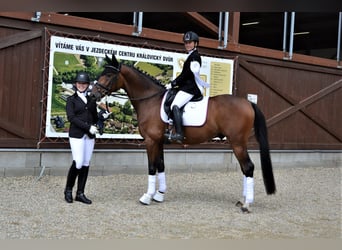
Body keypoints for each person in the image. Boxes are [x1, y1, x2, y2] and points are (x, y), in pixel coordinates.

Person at [168, 31, 210, 143]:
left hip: (191, 88)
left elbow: (188, 74)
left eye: (190, 42)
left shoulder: (195, 57)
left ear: (195, 44)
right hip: (186, 87)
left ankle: (179, 134)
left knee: (175, 105)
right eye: (186, 43)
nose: (187, 44)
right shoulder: (191, 55)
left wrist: (175, 81)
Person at [64, 72, 99, 204]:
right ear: (76, 84)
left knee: (85, 163)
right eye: (79, 83)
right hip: (77, 135)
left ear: (88, 85)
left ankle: (80, 193)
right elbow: (71, 118)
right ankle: (68, 190)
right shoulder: (71, 100)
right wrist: (87, 127)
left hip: (89, 136)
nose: (81, 85)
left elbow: (94, 118)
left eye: (84, 83)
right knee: (78, 162)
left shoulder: (91, 100)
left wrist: (102, 117)